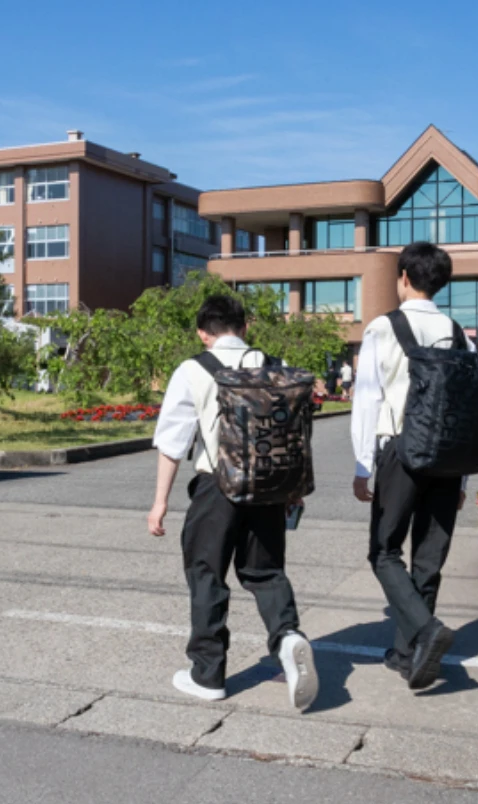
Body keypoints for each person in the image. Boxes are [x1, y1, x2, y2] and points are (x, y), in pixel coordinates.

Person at [147, 295, 319, 710]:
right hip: (270, 487)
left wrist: (160, 503)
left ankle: (208, 675)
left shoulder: (194, 369)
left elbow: (172, 443)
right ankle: (287, 637)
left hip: (217, 486)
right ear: (245, 327)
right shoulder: (274, 366)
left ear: (202, 333)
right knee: (266, 572)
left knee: (206, 572)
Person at [351, 242, 468, 690]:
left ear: (403, 277)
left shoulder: (384, 327)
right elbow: (463, 406)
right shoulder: (457, 332)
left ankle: (424, 631)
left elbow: (368, 399)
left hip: (399, 450)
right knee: (428, 558)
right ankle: (409, 656)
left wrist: (364, 466)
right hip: (447, 457)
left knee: (384, 551)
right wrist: (460, 477)